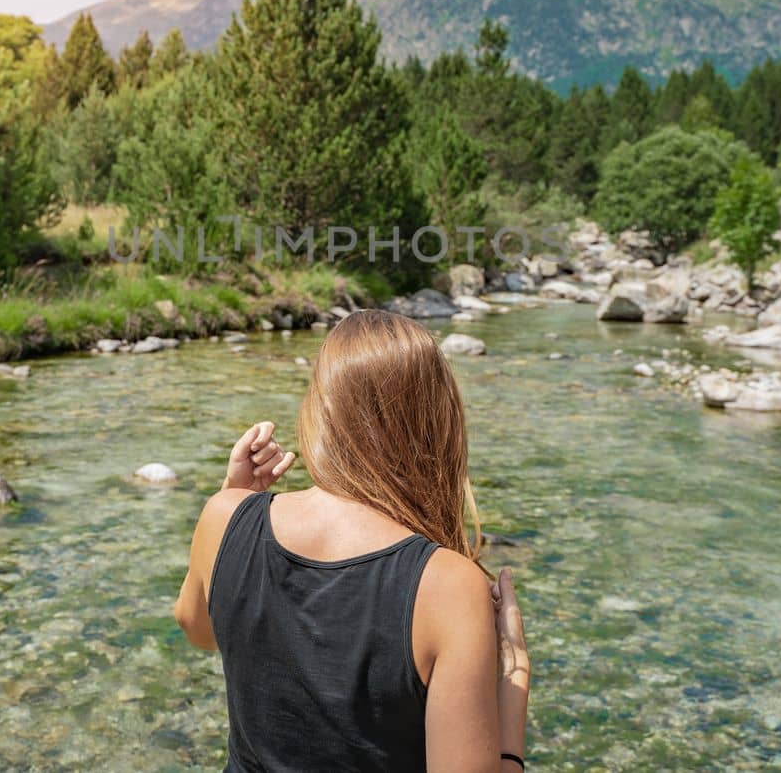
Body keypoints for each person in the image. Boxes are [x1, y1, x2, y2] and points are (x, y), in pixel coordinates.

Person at [174, 309, 531, 771]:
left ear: (320, 411)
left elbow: (198, 630)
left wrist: (234, 504)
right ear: (437, 424)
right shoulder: (448, 585)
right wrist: (513, 691)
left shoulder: (223, 515)